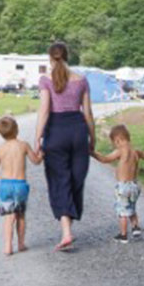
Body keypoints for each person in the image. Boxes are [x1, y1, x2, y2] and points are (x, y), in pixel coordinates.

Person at [30, 41, 95, 250]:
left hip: (56, 131)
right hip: (78, 131)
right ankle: (69, 225)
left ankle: (66, 230)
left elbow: (44, 110)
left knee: (59, 179)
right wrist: (92, 137)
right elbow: (88, 113)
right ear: (68, 56)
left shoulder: (45, 80)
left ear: (50, 58)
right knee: (76, 178)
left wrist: (38, 137)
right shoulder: (81, 80)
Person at [94, 124, 144, 243]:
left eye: (114, 142)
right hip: (134, 186)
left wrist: (93, 153)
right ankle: (135, 227)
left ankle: (123, 235)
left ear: (117, 140)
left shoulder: (120, 151)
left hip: (123, 187)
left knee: (122, 211)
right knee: (131, 207)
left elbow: (105, 159)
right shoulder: (136, 152)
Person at [0, 116, 40, 255]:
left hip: (5, 185)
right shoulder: (23, 145)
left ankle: (7, 246)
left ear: (1, 133)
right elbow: (36, 161)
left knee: (8, 217)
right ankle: (21, 244)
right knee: (20, 215)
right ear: (17, 129)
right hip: (20, 185)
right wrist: (42, 154)